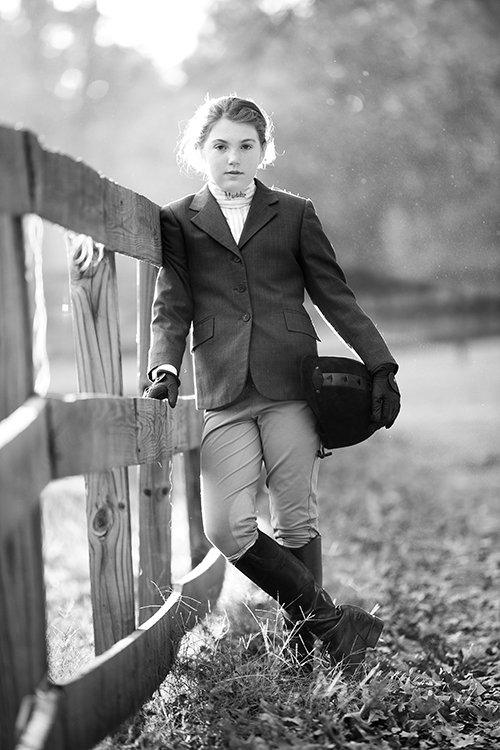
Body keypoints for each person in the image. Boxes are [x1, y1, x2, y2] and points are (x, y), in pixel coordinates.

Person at [146, 95, 400, 675]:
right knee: (225, 526)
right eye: (220, 146)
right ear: (200, 151)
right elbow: (172, 304)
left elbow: (335, 295)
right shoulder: (178, 219)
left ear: (264, 150)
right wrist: (164, 368)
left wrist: (381, 364)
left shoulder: (295, 213)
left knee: (294, 516)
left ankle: (307, 652)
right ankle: (333, 623)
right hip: (223, 389)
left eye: (246, 145)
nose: (233, 157)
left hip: (291, 384)